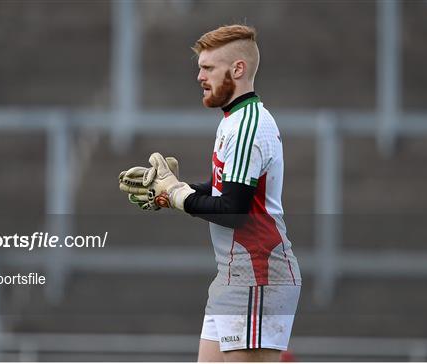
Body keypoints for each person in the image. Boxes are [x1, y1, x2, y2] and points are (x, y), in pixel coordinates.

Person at [119, 24, 301, 362]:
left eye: (208, 68)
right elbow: (225, 189)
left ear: (238, 69)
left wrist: (177, 194)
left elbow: (233, 210)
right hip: (233, 275)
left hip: (257, 275)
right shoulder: (233, 120)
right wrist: (170, 189)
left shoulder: (249, 125)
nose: (200, 77)